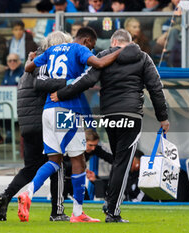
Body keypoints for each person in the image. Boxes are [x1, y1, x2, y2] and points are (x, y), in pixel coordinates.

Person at [51, 29, 169, 222]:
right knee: (123, 163)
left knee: (117, 161)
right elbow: (156, 88)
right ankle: (113, 211)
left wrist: (62, 93)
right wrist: (162, 117)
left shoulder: (104, 56)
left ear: (113, 42)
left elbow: (86, 80)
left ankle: (110, 202)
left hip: (110, 116)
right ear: (129, 43)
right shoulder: (143, 58)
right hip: (131, 115)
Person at [18, 27, 122, 223]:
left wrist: (31, 57)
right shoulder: (78, 49)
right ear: (85, 41)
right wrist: (122, 51)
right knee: (78, 160)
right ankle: (77, 213)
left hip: (47, 110)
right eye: (91, 46)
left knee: (53, 161)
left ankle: (28, 193)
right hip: (67, 110)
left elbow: (28, 68)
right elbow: (99, 63)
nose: (91, 50)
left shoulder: (50, 51)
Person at [0, 31, 72, 222]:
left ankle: (6, 195)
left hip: (27, 125)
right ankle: (57, 211)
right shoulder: (44, 64)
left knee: (30, 168)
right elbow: (42, 85)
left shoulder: (29, 67)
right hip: (42, 123)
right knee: (57, 164)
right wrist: (69, 81)